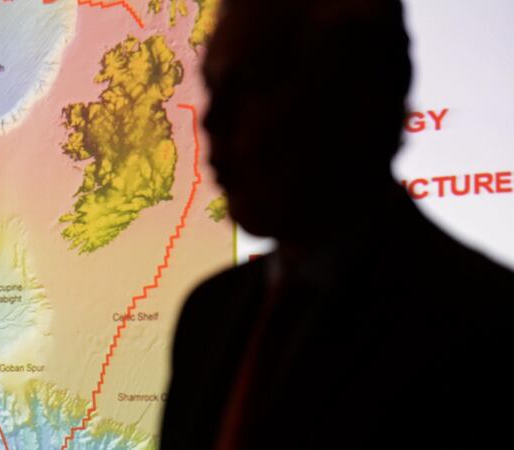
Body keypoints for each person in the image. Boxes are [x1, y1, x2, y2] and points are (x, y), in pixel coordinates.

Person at [160, 0, 514, 448]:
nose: (211, 121)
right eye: (212, 87)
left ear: (360, 99)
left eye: (247, 85)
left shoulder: (487, 333)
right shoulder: (209, 315)